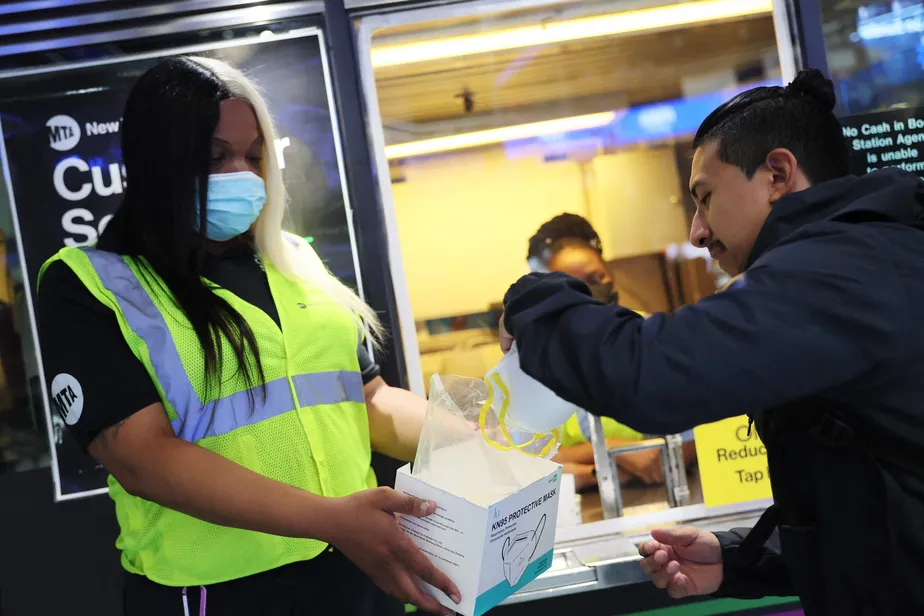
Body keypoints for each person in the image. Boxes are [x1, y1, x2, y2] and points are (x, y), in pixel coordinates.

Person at [36, 56, 460, 616]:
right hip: (221, 595)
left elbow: (369, 399)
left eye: (255, 156)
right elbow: (141, 458)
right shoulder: (92, 283)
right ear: (156, 161)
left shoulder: (295, 261)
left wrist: (474, 441)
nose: (243, 174)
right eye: (215, 157)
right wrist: (330, 519)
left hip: (356, 574)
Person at [498, 69, 924, 614]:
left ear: (776, 174)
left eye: (705, 198)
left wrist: (532, 301)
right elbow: (878, 502)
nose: (696, 231)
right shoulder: (861, 259)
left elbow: (651, 378)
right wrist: (747, 556)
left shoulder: (841, 271)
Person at [528, 214, 695, 488]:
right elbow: (525, 460)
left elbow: (697, 437)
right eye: (564, 281)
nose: (583, 291)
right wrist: (613, 451)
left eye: (593, 277)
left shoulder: (652, 336)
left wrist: (664, 458)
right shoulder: (531, 361)